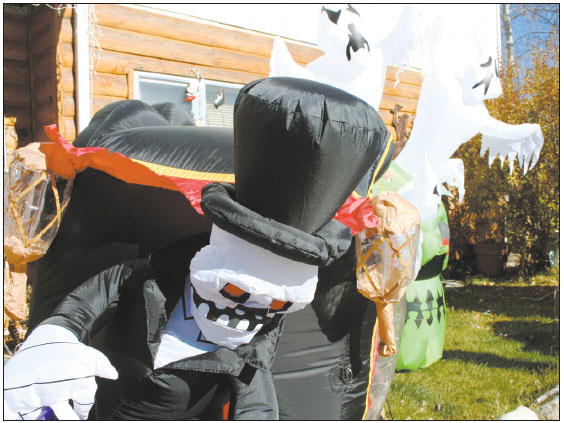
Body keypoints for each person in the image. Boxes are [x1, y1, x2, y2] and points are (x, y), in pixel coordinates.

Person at [4, 77, 391, 420]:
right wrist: (54, 339)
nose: (247, 316)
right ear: (210, 264)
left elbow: (256, 407)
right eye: (235, 291)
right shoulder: (148, 281)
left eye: (274, 305)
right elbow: (84, 305)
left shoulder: (249, 349)